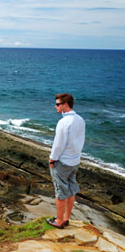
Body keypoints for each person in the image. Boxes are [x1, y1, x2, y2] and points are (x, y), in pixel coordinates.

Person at [46, 93, 85, 229]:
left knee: (61, 192)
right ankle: (66, 218)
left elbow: (58, 145)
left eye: (57, 104)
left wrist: (52, 159)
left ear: (65, 105)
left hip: (63, 162)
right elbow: (81, 140)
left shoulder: (63, 122)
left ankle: (59, 221)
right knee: (71, 189)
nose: (55, 106)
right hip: (75, 161)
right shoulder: (80, 120)